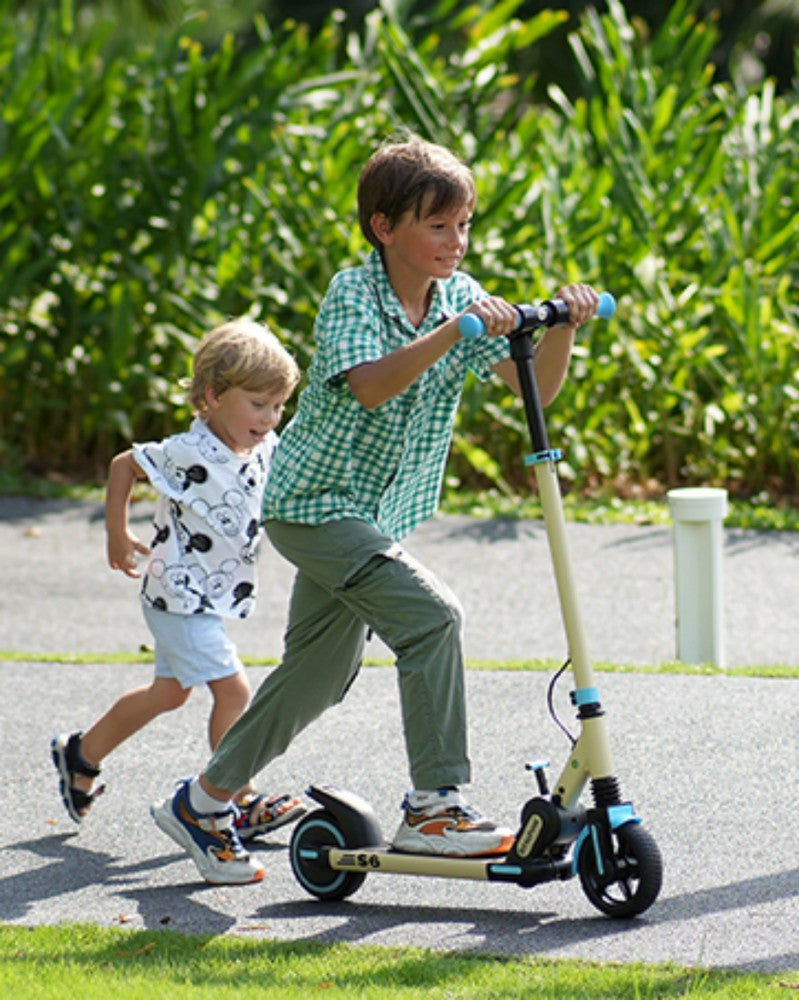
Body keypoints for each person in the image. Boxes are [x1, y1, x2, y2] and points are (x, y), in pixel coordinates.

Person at [151, 135, 600, 885]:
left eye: (463, 226)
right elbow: (368, 384)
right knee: (432, 617)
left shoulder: (457, 297)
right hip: (313, 505)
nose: (455, 243)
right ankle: (434, 806)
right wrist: (450, 334)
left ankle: (203, 801)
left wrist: (558, 330)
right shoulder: (352, 293)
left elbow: (535, 394)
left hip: (374, 514)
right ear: (383, 228)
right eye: (437, 227)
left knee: (319, 675)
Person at [52, 317, 306, 852]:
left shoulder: (260, 445)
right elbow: (125, 465)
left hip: (208, 598)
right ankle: (237, 795)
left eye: (278, 405)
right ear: (212, 397)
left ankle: (82, 753)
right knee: (234, 690)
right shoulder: (188, 451)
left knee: (169, 693)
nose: (270, 417)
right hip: (177, 596)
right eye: (258, 404)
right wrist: (117, 535)